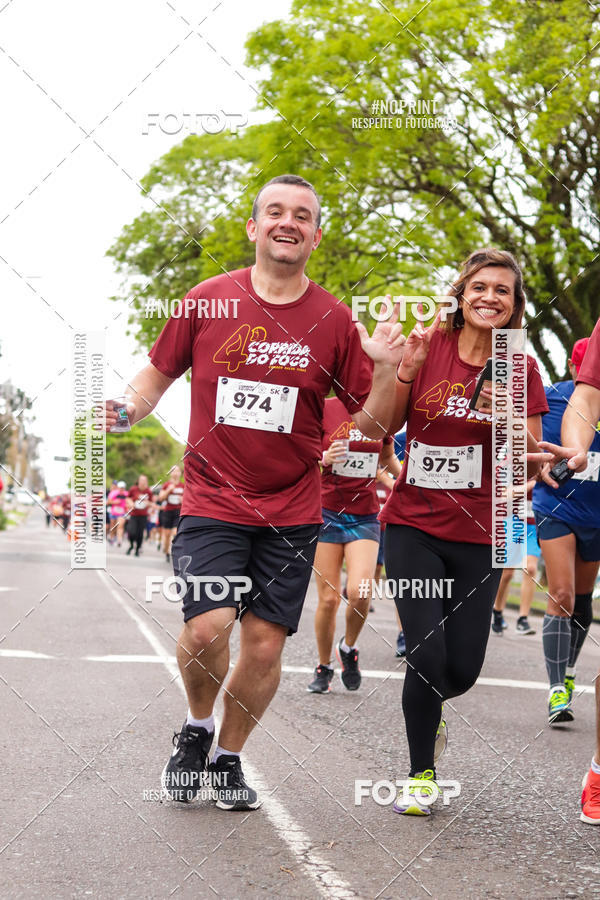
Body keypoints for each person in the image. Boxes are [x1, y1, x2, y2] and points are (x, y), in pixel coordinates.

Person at [103, 174, 405, 811]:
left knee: (265, 644)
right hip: (213, 498)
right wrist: (126, 411)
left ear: (316, 236)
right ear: (253, 226)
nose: (287, 222)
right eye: (275, 212)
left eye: (302, 215)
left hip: (294, 507)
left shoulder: (334, 320)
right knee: (209, 625)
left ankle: (229, 758)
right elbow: (155, 378)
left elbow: (374, 426)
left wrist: (381, 370)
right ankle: (196, 727)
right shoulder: (208, 299)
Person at [379, 248, 548, 816]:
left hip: (483, 528)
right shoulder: (431, 346)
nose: (489, 298)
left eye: (502, 290)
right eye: (480, 287)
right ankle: (419, 773)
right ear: (461, 293)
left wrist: (507, 420)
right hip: (413, 525)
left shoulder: (517, 366)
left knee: (462, 668)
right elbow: (387, 423)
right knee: (426, 655)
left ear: (515, 304)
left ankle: (428, 708)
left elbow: (525, 459)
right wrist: (403, 368)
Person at [534, 318, 600, 824]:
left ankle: (571, 669)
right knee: (558, 593)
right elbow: (529, 441)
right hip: (558, 509)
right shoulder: (558, 397)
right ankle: (559, 686)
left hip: (597, 515)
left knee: (582, 600)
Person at [307, 397, 402, 693]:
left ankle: (348, 648)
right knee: (328, 599)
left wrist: (409, 481)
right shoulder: (325, 408)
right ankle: (324, 666)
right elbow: (302, 454)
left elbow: (387, 458)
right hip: (325, 511)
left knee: (360, 592)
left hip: (364, 515)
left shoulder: (382, 411)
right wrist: (324, 457)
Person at [491, 487, 539, 636]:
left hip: (534, 524)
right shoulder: (515, 465)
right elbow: (504, 494)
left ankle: (523, 619)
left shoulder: (549, 466)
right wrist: (533, 482)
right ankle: (497, 612)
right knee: (506, 573)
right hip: (513, 521)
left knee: (530, 569)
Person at [158, 466, 184, 562]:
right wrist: (169, 490)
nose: (176, 473)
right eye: (173, 471)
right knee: (167, 534)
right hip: (168, 511)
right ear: (171, 473)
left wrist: (183, 500)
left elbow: (187, 500)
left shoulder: (183, 486)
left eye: (177, 471)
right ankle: (166, 550)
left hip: (178, 512)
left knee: (175, 532)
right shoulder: (166, 485)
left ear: (180, 473)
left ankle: (171, 551)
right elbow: (160, 498)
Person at [126, 475, 154, 556]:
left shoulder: (148, 491)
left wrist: (147, 503)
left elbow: (152, 503)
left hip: (143, 516)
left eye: (144, 481)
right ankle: (131, 545)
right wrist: (130, 503)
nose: (143, 482)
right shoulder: (133, 489)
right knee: (131, 532)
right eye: (141, 480)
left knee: (140, 533)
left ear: (146, 482)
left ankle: (137, 549)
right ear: (138, 481)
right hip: (134, 514)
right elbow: (127, 498)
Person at [107, 480, 128, 546]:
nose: (121, 489)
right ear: (118, 487)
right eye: (120, 488)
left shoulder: (126, 494)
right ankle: (111, 537)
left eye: (123, 488)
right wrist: (114, 502)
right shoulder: (113, 493)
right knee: (113, 527)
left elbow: (129, 501)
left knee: (120, 526)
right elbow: (108, 502)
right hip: (114, 512)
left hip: (122, 513)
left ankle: (119, 540)